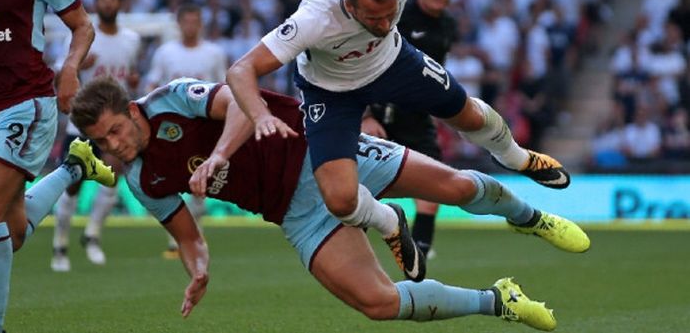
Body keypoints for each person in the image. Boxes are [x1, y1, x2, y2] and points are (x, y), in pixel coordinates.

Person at [70, 76, 589, 331]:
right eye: (102, 143)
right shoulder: (141, 178)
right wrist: (198, 270)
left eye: (115, 131)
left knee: (453, 187)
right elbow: (187, 237)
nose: (113, 147)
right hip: (294, 212)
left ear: (130, 109)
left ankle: (529, 216)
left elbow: (241, 106)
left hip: (322, 148)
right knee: (379, 304)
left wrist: (219, 154)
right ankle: (497, 300)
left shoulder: (171, 97)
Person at [226, 0, 571, 281]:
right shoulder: (314, 17)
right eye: (373, 17)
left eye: (390, 13)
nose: (383, 24)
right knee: (340, 200)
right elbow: (241, 69)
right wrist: (260, 116)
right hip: (330, 92)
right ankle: (389, 221)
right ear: (349, 2)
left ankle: (515, 157)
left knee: (467, 113)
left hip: (392, 63)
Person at [0, 0, 95, 332]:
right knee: (8, 235)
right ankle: (74, 168)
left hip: (26, 103)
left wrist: (70, 69)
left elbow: (83, 26)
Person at [361, 0, 456, 259]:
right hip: (380, 114)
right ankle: (350, 250)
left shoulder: (448, 25)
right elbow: (365, 61)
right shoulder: (398, 17)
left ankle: (418, 255)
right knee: (363, 188)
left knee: (433, 190)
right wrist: (365, 115)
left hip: (416, 117)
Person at [51, 0, 142, 272]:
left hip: (114, 124)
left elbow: (130, 74)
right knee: (73, 185)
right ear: (96, 2)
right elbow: (58, 77)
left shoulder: (131, 39)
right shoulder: (81, 38)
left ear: (120, 2)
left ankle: (91, 235)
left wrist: (133, 82)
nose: (108, 3)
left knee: (112, 176)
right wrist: (76, 67)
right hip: (83, 124)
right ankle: (60, 243)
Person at [144, 2, 227, 259]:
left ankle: (196, 235)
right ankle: (175, 241)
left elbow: (223, 86)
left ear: (201, 23)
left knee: (200, 182)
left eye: (195, 21)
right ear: (179, 24)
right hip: (170, 126)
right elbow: (153, 84)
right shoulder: (165, 52)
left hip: (202, 125)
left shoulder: (214, 53)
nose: (191, 26)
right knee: (171, 183)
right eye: (186, 21)